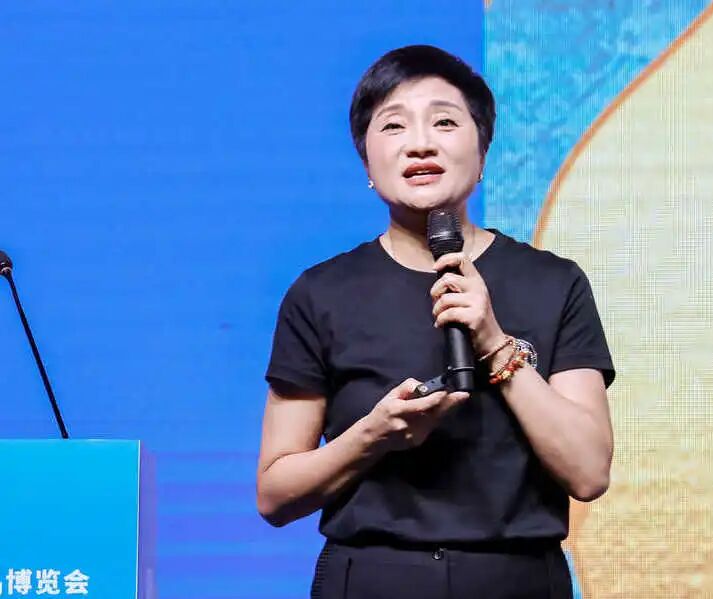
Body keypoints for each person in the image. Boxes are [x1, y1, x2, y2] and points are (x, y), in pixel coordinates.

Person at [256, 44, 615, 599]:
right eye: (393, 125)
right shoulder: (321, 293)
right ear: (367, 162)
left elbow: (588, 473)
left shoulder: (554, 283)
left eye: (444, 122)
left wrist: (495, 342)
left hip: (516, 580)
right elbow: (275, 495)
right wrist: (373, 437)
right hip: (372, 579)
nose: (420, 142)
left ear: (483, 151)